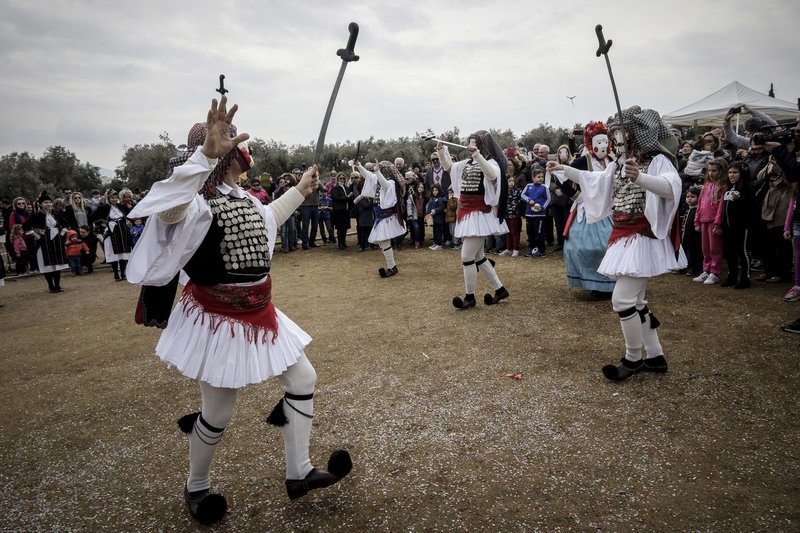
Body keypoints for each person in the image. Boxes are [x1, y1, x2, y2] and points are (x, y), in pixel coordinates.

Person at [125, 96, 351, 525]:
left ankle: (298, 472)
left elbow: (267, 220)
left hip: (261, 311)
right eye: (228, 140)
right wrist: (203, 156)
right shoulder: (194, 204)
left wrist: (300, 190)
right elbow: (168, 208)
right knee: (218, 411)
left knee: (303, 377)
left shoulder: (243, 198)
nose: (240, 146)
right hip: (217, 318)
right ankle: (196, 487)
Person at [548, 106, 686, 381]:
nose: (618, 142)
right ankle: (655, 356)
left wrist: (641, 177)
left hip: (643, 237)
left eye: (623, 136)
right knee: (635, 300)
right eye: (616, 137)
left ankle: (633, 358)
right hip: (624, 235)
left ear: (637, 135)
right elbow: (597, 181)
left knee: (622, 299)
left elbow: (672, 187)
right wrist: (565, 169)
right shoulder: (619, 163)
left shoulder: (657, 160)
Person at [436, 131, 509, 308]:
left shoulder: (491, 162)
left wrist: (477, 156)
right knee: (478, 256)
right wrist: (441, 150)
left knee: (467, 255)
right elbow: (449, 168)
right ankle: (500, 290)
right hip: (467, 211)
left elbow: (492, 175)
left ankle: (470, 297)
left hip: (480, 213)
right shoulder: (467, 163)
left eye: (474, 144)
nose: (470, 147)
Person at [560, 122, 616, 296]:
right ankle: (594, 282)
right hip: (588, 211)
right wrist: (578, 197)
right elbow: (562, 177)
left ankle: (612, 280)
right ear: (590, 144)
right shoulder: (583, 161)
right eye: (598, 142)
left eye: (605, 142)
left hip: (610, 209)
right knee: (586, 247)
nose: (602, 146)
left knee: (612, 245)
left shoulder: (612, 161)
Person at [718, 161, 757, 289]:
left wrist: (740, 199)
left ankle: (745, 278)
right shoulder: (729, 188)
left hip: (742, 227)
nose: (731, 175)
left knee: (743, 251)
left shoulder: (747, 188)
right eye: (729, 172)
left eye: (735, 172)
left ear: (742, 173)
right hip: (728, 227)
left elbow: (752, 208)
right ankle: (732, 276)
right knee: (730, 252)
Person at [23, 191, 69, 293]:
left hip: (56, 242)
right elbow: (25, 226)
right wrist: (36, 235)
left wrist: (61, 234)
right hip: (43, 243)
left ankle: (57, 285)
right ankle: (51, 286)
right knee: (46, 265)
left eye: (49, 202)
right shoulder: (36, 215)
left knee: (57, 264)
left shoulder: (56, 214)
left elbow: (66, 224)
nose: (48, 204)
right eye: (45, 202)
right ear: (40, 204)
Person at [693, 158, 728, 285]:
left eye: (714, 170)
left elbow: (721, 207)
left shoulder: (723, 187)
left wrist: (718, 224)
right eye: (709, 170)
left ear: (721, 171)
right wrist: (697, 221)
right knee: (705, 248)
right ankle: (706, 270)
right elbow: (700, 204)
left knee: (715, 248)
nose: (711, 173)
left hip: (714, 222)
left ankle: (715, 272)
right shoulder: (706, 186)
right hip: (703, 220)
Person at [521, 169, 550, 258]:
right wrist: (529, 200)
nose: (541, 179)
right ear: (533, 178)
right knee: (530, 232)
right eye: (538, 177)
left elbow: (548, 199)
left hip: (540, 215)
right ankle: (531, 247)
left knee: (539, 232)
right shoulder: (528, 186)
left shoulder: (545, 187)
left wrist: (542, 208)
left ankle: (541, 250)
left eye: (542, 177)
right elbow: (522, 195)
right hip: (529, 214)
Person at [682, 185, 702, 277]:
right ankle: (687, 266)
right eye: (688, 197)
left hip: (695, 236)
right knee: (687, 249)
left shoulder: (697, 210)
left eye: (693, 197)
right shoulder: (688, 210)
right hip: (686, 235)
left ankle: (695, 268)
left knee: (695, 251)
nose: (689, 199)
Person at [331, 172, 352, 249]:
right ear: (337, 179)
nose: (342, 179)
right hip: (338, 211)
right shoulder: (335, 188)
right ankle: (340, 243)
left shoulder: (346, 188)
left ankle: (344, 242)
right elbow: (336, 198)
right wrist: (347, 197)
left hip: (345, 210)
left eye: (343, 178)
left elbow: (349, 199)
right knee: (340, 228)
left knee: (345, 227)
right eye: (340, 178)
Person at [426, 184, 446, 250]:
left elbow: (441, 207)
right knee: (434, 231)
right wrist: (428, 213)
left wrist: (435, 210)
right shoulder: (431, 199)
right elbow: (429, 207)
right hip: (433, 219)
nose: (434, 192)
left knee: (438, 232)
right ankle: (435, 243)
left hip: (439, 219)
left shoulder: (440, 199)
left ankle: (439, 244)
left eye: (436, 190)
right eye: (433, 190)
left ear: (439, 191)